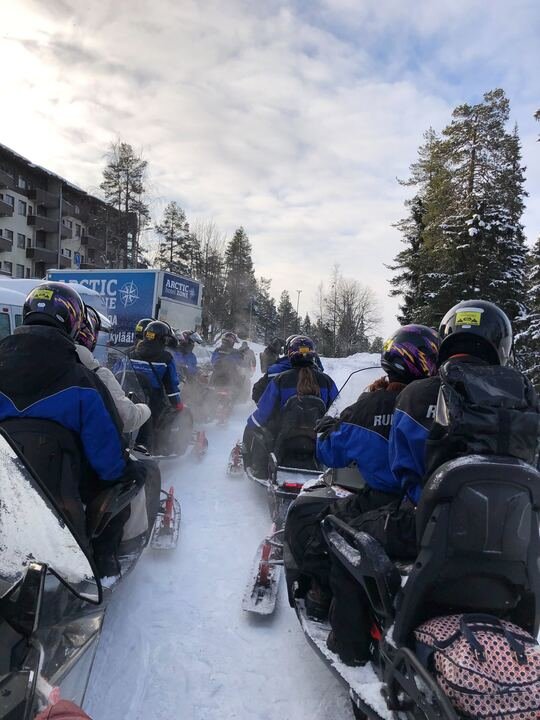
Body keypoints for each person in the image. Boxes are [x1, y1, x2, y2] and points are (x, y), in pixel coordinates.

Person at [284, 324, 440, 665]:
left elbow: (329, 452)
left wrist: (326, 429)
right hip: (433, 510)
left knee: (311, 523)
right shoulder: (441, 403)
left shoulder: (374, 405)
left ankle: (325, 603)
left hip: (383, 502)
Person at [0, 282, 144, 577]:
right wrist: (124, 472)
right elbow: (107, 458)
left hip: (6, 491)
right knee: (125, 479)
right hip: (61, 500)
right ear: (73, 322)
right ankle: (103, 565)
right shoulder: (82, 380)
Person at [389, 299, 533, 503]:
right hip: (515, 524)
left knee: (344, 523)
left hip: (430, 521)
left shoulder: (414, 395)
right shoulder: (524, 393)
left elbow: (401, 469)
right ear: (502, 346)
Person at [243, 336, 338, 478]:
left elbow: (263, 411)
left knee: (253, 426)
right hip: (315, 436)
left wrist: (251, 424)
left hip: (284, 435)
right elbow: (337, 410)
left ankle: (255, 467)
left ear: (290, 355)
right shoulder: (327, 381)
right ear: (313, 355)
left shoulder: (281, 379)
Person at [76, 305, 151, 433]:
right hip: (75, 450)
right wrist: (145, 409)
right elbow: (127, 418)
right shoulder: (97, 374)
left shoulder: (33, 365)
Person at [131, 320, 184, 450]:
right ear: (163, 339)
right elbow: (171, 386)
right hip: (153, 400)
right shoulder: (165, 358)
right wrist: (177, 403)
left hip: (128, 396)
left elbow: (117, 373)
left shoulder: (131, 352)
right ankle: (158, 446)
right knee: (171, 414)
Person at [252, 335, 324, 403]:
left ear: (288, 350)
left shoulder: (276, 370)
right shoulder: (321, 376)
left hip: (280, 415)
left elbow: (257, 393)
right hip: (315, 415)